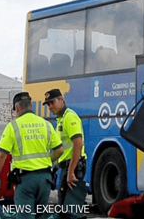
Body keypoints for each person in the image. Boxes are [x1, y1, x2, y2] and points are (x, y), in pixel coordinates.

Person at [0, 92, 63, 219]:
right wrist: (47, 160)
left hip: (25, 181)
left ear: (17, 108)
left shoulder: (13, 126)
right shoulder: (45, 124)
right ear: (30, 106)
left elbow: (1, 156)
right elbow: (60, 150)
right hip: (45, 180)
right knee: (41, 215)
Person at [43, 89, 88, 218]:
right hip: (67, 167)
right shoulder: (61, 119)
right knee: (66, 208)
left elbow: (78, 143)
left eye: (52, 102)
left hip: (72, 167)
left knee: (69, 211)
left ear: (61, 100)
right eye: (48, 104)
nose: (50, 107)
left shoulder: (69, 117)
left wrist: (71, 172)